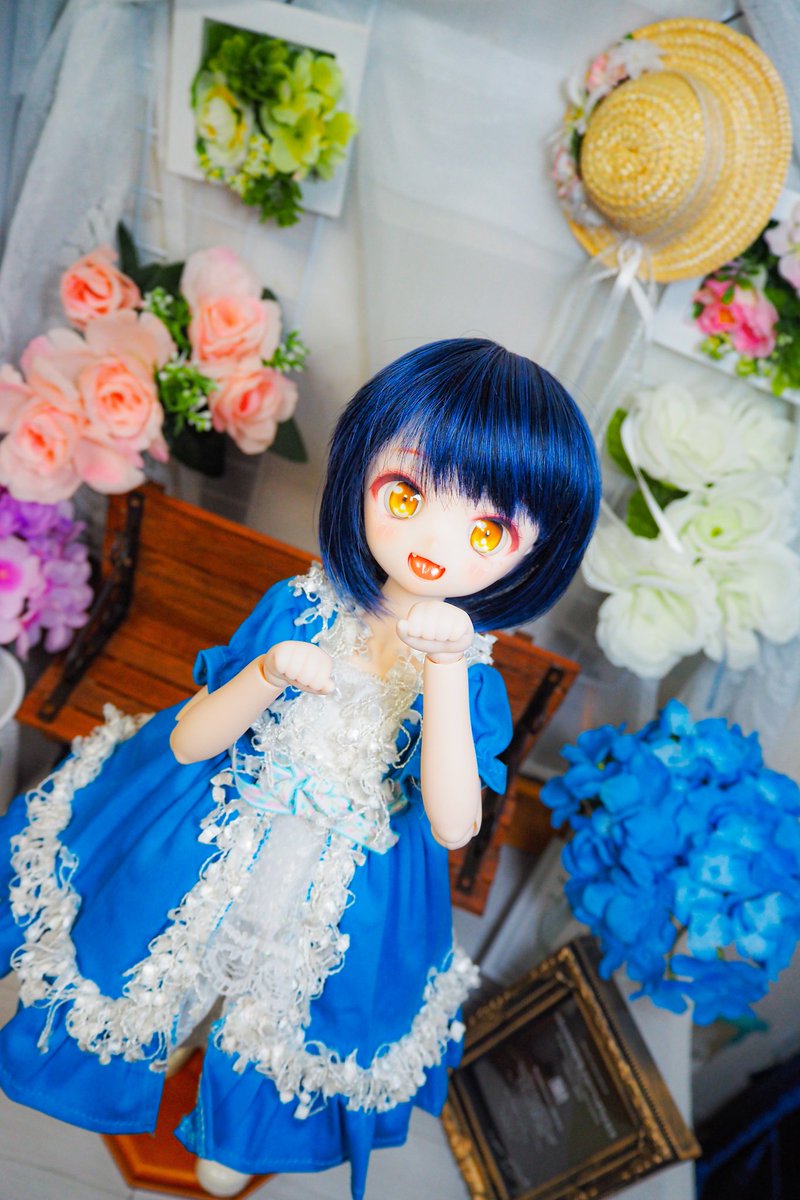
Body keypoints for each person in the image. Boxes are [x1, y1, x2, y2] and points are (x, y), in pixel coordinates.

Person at [0, 338, 600, 1198]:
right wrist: (269, 671)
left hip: (357, 874)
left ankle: (244, 1128)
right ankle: (166, 1026)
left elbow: (453, 824)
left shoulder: (470, 675)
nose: (434, 542)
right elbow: (190, 741)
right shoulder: (300, 605)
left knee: (304, 1000)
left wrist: (443, 670)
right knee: (167, 928)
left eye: (485, 530)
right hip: (223, 814)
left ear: (533, 552)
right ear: (363, 474)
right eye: (406, 495)